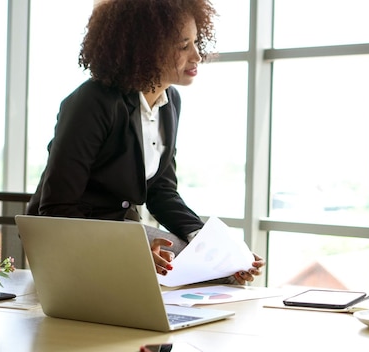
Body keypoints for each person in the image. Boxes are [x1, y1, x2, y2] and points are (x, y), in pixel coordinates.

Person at [26, 0, 264, 285]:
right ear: (146, 48)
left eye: (196, 42)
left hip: (123, 230)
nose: (197, 56)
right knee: (193, 272)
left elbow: (161, 190)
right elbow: (57, 208)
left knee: (217, 270)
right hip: (66, 236)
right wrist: (129, 251)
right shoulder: (92, 102)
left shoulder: (170, 102)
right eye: (183, 45)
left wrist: (209, 244)